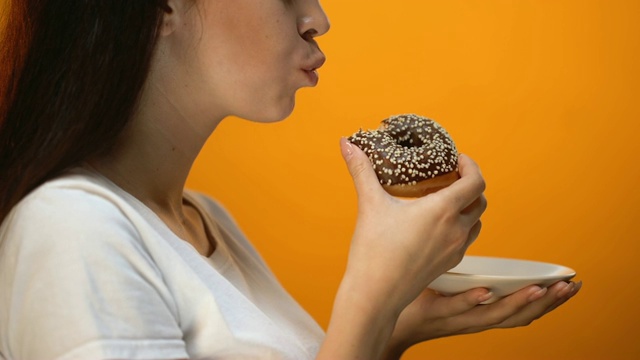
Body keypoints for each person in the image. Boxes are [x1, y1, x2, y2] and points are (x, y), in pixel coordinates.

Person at [0, 1, 581, 359]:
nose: (319, 19)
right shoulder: (71, 230)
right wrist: (369, 299)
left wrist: (395, 327)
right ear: (161, 7)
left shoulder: (207, 223)